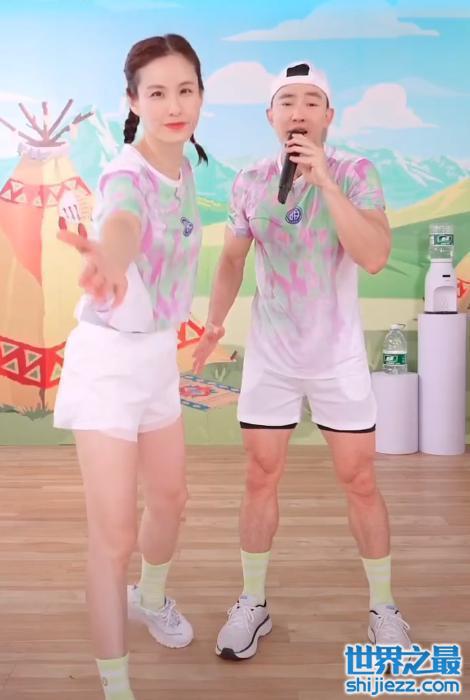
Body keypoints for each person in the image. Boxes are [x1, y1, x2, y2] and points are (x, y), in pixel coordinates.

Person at [193, 61, 412, 661]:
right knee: (259, 476)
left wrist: (327, 186)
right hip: (273, 357)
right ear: (270, 115)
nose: (298, 112)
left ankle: (384, 607)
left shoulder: (356, 173)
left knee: (359, 480)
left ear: (329, 116)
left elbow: (373, 256)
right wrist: (214, 323)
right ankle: (253, 602)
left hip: (337, 357)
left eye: (311, 101)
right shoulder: (250, 181)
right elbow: (232, 260)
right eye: (287, 101)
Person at [54, 34, 206, 699]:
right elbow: (121, 224)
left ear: (200, 95)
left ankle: (151, 597)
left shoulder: (185, 166)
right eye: (158, 93)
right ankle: (116, 686)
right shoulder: (126, 175)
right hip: (108, 367)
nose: (174, 106)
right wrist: (109, 261)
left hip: (156, 359)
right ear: (133, 101)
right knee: (113, 537)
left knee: (171, 501)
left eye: (185, 90)